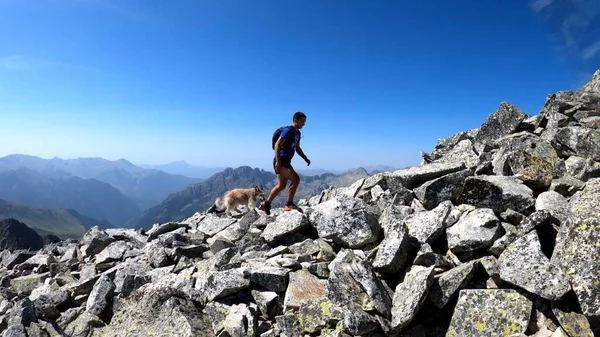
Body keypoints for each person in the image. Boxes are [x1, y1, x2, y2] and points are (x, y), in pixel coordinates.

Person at [260, 111, 311, 215]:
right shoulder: (288, 131)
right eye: (302, 121)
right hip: (281, 161)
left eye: (304, 122)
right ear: (295, 120)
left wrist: (305, 158)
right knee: (296, 179)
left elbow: (297, 148)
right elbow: (277, 145)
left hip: (285, 161)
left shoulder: (298, 133)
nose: (303, 124)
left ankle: (266, 204)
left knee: (281, 185)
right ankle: (289, 204)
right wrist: (278, 162)